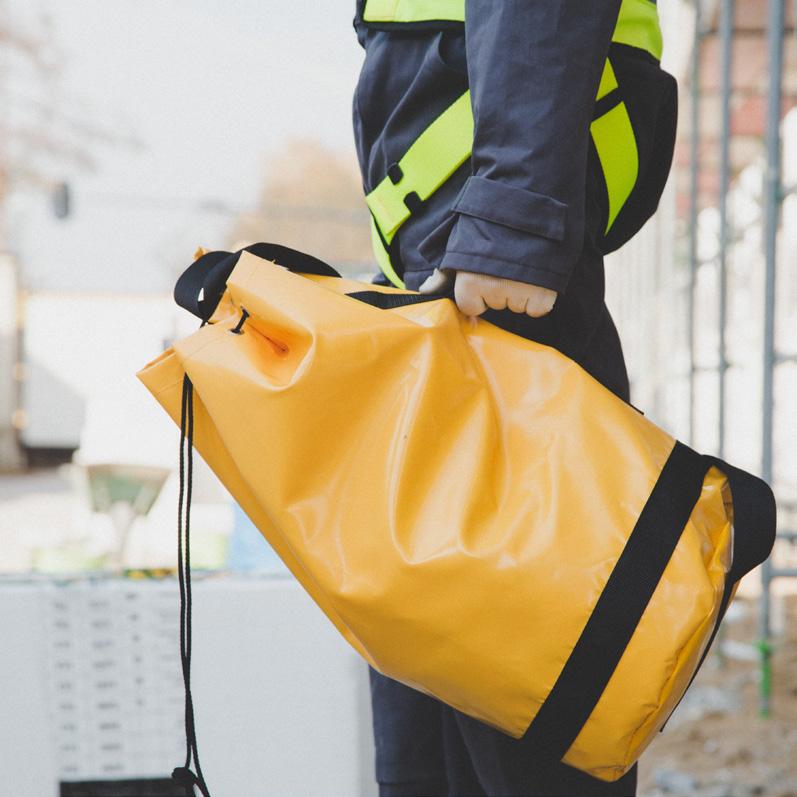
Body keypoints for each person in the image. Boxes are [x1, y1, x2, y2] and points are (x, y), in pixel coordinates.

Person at [351, 1, 678, 795]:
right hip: (473, 145)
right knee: (435, 642)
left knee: (518, 653)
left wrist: (510, 216)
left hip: (495, 144)